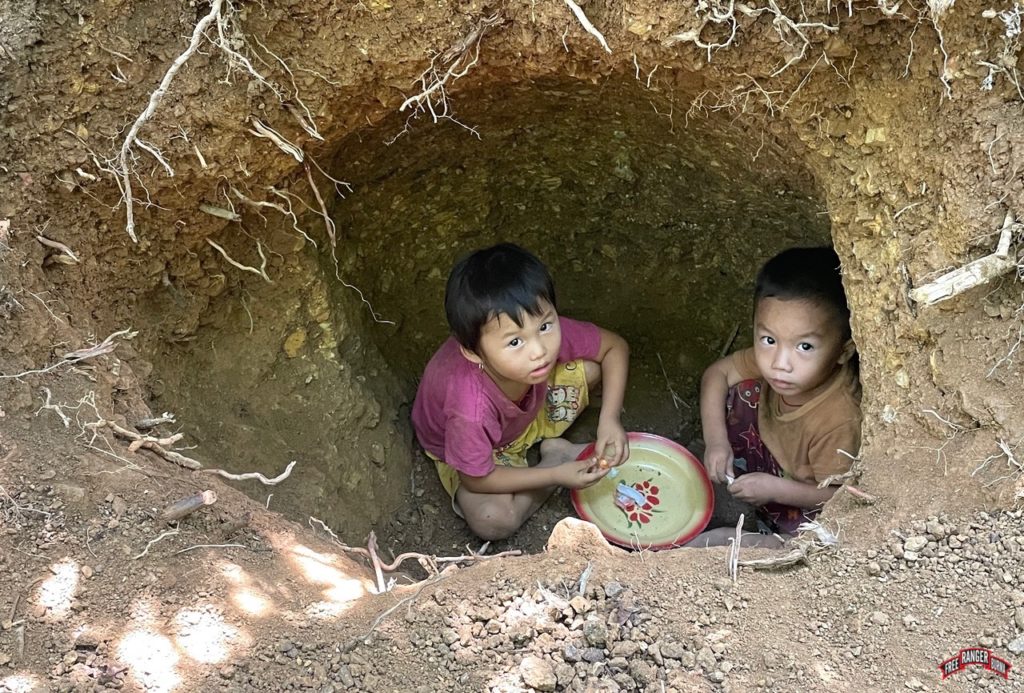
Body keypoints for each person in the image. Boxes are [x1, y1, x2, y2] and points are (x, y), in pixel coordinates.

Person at [412, 243, 630, 541]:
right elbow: (476, 480)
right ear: (474, 353)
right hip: (475, 451)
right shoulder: (468, 408)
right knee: (493, 520)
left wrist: (610, 419)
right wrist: (556, 475)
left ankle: (549, 446)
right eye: (515, 342)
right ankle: (555, 458)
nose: (539, 350)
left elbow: (614, 347)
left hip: (524, 413)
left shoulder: (527, 324)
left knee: (592, 367)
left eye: (545, 326)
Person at [689, 246, 860, 548]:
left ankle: (766, 537)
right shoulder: (783, 366)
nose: (780, 362)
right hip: (770, 461)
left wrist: (776, 490)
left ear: (843, 351)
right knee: (743, 390)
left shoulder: (838, 418)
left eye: (804, 347)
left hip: (804, 501)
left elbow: (841, 496)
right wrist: (716, 441)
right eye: (768, 339)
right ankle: (740, 483)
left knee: (806, 542)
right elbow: (718, 374)